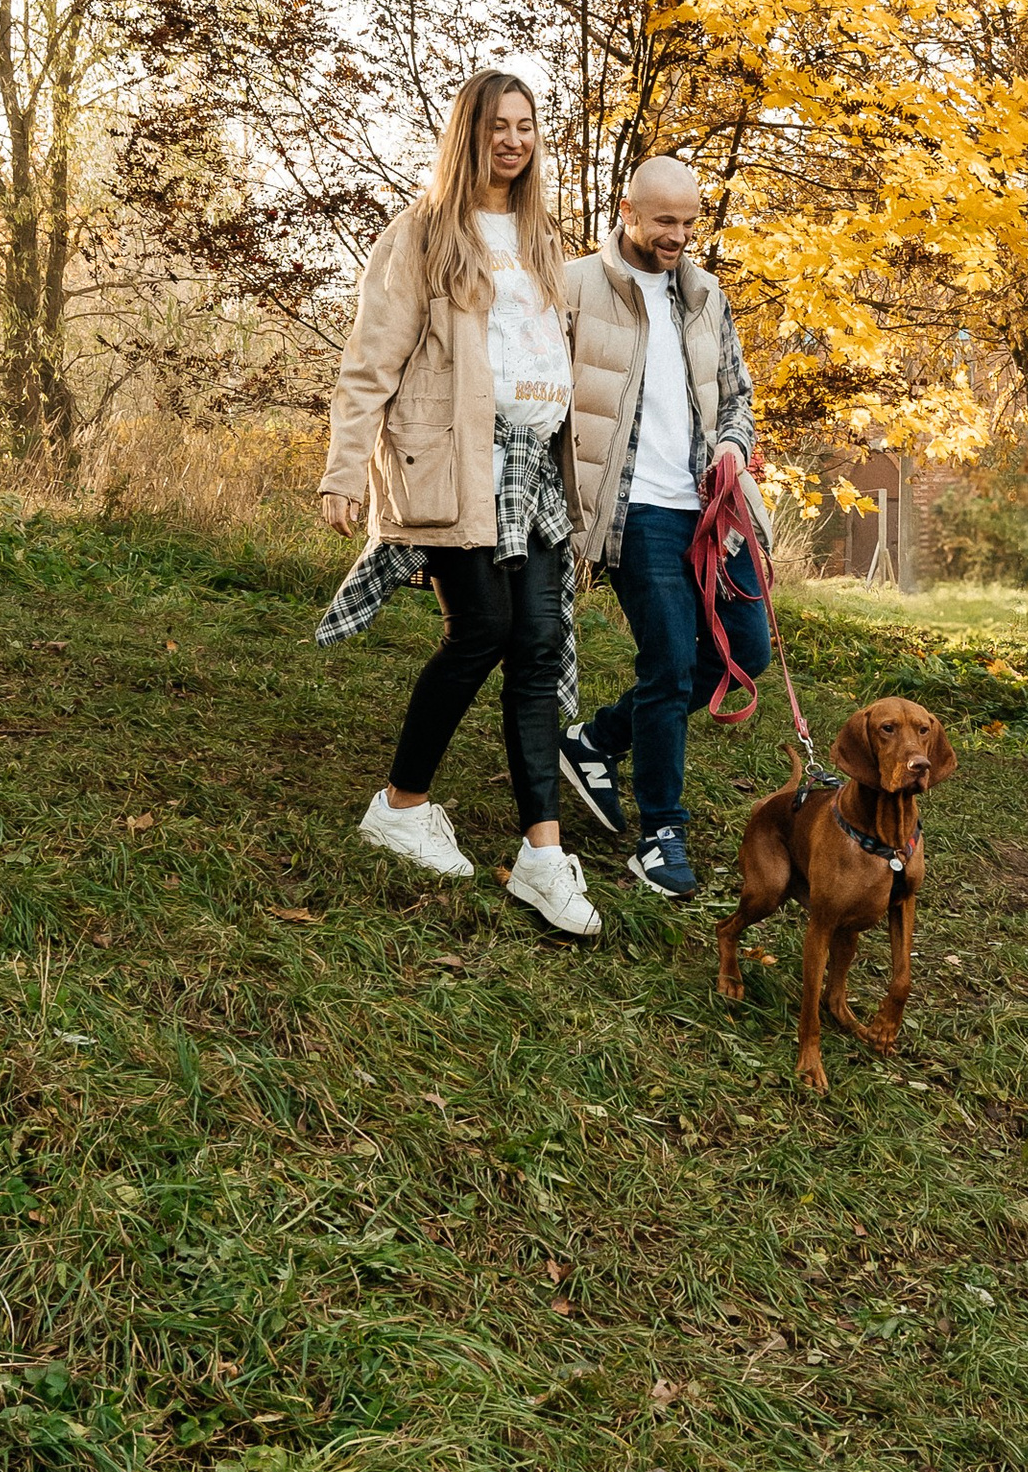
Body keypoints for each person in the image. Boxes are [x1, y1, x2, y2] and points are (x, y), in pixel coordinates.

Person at [315, 70, 602, 942]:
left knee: (537, 645)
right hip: (455, 460)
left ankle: (544, 856)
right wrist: (343, 471)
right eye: (496, 126)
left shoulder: (542, 236)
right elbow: (370, 361)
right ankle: (401, 806)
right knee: (481, 630)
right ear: (467, 134)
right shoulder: (423, 232)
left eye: (525, 126)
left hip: (533, 469)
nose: (512, 140)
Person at [553, 154, 771, 904]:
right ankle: (661, 835)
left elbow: (737, 397)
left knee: (747, 652)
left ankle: (597, 741)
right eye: (664, 221)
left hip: (710, 512)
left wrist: (732, 448)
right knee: (673, 662)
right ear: (628, 211)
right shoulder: (575, 286)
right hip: (631, 510)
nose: (677, 235)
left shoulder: (706, 295)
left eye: (688, 222)